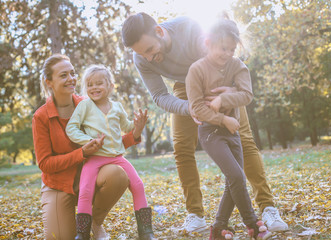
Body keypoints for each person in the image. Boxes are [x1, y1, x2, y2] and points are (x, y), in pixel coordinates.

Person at [121, 12, 288, 233]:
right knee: (181, 148)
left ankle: (267, 207)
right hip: (184, 88)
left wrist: (232, 89)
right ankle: (195, 214)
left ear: (160, 32)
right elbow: (160, 95)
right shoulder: (141, 57)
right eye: (143, 54)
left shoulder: (190, 29)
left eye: (151, 50)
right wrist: (188, 107)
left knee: (244, 140)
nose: (149, 58)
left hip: (219, 80)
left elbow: (225, 56)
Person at [32, 54, 146, 240]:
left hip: (92, 174)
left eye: (72, 73)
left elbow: (110, 143)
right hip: (58, 184)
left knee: (117, 174)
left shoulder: (91, 103)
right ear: (49, 82)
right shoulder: (41, 117)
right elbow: (45, 164)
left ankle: (95, 221)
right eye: (63, 75)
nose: (71, 79)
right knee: (58, 237)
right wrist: (81, 153)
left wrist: (134, 134)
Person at [185, 17, 272, 240]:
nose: (227, 53)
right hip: (211, 132)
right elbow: (196, 108)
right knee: (237, 176)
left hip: (232, 132)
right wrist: (223, 120)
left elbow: (247, 95)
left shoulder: (237, 65)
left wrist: (224, 98)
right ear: (208, 43)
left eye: (232, 49)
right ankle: (252, 224)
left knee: (233, 181)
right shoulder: (196, 70)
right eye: (223, 48)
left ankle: (218, 227)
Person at [65, 64, 153, 240]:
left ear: (110, 86)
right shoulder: (85, 106)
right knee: (86, 191)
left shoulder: (117, 107)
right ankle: (82, 234)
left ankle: (146, 232)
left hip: (117, 158)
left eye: (99, 83)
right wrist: (88, 141)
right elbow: (71, 128)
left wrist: (138, 127)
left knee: (138, 185)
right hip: (94, 159)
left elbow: (128, 128)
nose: (94, 87)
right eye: (90, 84)